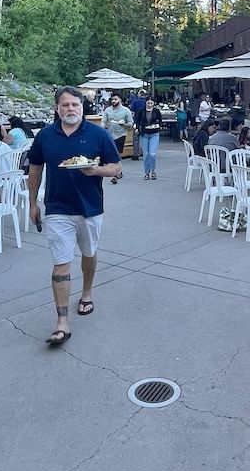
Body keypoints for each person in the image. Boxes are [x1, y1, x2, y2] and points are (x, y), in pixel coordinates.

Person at [27, 87, 122, 347]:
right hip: (57, 207)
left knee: (89, 253)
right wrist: (32, 202)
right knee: (61, 263)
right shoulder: (45, 136)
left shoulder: (98, 134)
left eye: (75, 105)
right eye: (66, 105)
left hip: (90, 207)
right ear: (57, 109)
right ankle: (61, 323)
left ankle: (87, 292)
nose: (71, 109)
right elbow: (35, 168)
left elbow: (116, 168)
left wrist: (96, 171)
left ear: (82, 108)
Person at [136, 97, 164, 181]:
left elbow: (160, 121)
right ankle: (146, 172)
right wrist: (137, 128)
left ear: (153, 103)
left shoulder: (156, 111)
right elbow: (137, 121)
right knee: (146, 154)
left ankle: (153, 171)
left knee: (152, 153)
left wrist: (157, 125)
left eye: (151, 103)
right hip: (144, 134)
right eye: (148, 103)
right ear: (146, 103)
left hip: (154, 134)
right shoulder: (141, 111)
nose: (150, 105)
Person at [101, 93, 134, 161]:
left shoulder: (126, 110)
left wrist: (124, 124)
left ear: (120, 100)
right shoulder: (107, 110)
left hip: (120, 134)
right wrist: (101, 129)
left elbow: (130, 123)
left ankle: (118, 169)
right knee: (109, 153)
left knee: (117, 153)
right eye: (112, 99)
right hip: (109, 134)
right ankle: (111, 169)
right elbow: (103, 121)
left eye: (115, 99)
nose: (113, 101)